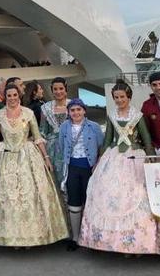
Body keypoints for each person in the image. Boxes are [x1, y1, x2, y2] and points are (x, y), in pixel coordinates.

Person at [0, 85, 68, 246]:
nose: (12, 98)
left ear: (19, 96)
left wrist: (45, 157)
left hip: (27, 156)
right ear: (5, 96)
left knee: (30, 196)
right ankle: (10, 237)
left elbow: (37, 137)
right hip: (5, 156)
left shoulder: (28, 113)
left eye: (14, 95)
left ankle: (31, 236)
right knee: (7, 198)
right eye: (9, 95)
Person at [79, 82, 160, 255]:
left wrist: (152, 159)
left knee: (135, 197)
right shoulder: (111, 115)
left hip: (134, 157)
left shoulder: (137, 116)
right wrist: (99, 160)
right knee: (107, 195)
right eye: (116, 97)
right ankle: (105, 241)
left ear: (129, 97)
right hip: (114, 157)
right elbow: (108, 139)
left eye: (122, 97)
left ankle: (135, 244)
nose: (119, 100)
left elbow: (146, 139)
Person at [57, 98, 104, 251]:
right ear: (68, 112)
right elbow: (61, 146)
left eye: (79, 109)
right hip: (72, 167)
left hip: (89, 168)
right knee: (74, 202)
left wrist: (97, 165)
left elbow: (101, 146)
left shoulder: (94, 127)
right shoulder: (64, 127)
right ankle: (75, 237)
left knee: (90, 201)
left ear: (84, 110)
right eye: (72, 110)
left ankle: (91, 237)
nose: (76, 113)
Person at [40, 77, 71, 182]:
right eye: (55, 89)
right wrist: (46, 156)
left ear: (66, 89)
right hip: (51, 150)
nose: (58, 92)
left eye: (61, 88)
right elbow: (42, 132)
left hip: (71, 147)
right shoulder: (45, 108)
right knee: (54, 181)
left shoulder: (74, 105)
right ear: (52, 90)